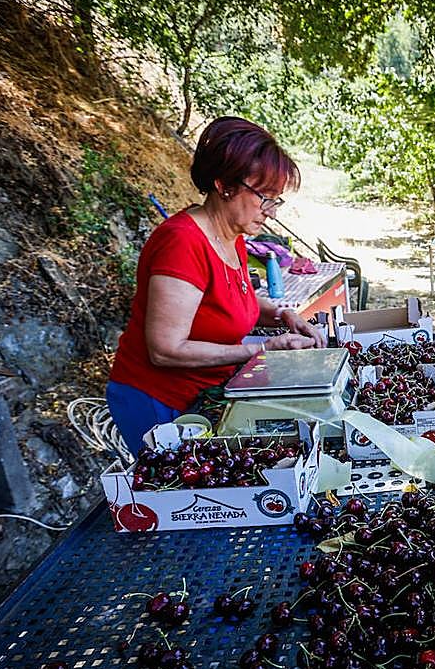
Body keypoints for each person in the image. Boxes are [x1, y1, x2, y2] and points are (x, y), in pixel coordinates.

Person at [107, 116, 325, 450]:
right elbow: (165, 349)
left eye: (276, 200)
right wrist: (261, 350)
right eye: (264, 197)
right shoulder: (182, 243)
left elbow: (232, 302)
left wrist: (285, 316)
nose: (272, 212)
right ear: (224, 185)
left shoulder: (231, 235)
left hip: (207, 391)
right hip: (161, 400)